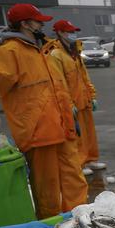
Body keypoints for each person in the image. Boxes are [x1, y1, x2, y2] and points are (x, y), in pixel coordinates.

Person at [0, 3, 87, 219]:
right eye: (38, 21)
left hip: (63, 129)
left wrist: (70, 113)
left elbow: (57, 88)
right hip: (38, 134)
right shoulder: (9, 52)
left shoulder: (43, 51)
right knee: (47, 193)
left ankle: (80, 222)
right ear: (25, 24)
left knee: (75, 182)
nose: (43, 24)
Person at [43, 20, 105, 171]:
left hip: (84, 100)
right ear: (60, 33)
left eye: (73, 31)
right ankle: (80, 163)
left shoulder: (74, 52)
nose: (73, 34)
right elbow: (59, 82)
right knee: (76, 135)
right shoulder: (56, 55)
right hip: (71, 103)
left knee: (89, 133)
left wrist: (92, 95)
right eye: (69, 32)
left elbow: (84, 76)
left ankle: (91, 159)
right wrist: (69, 105)